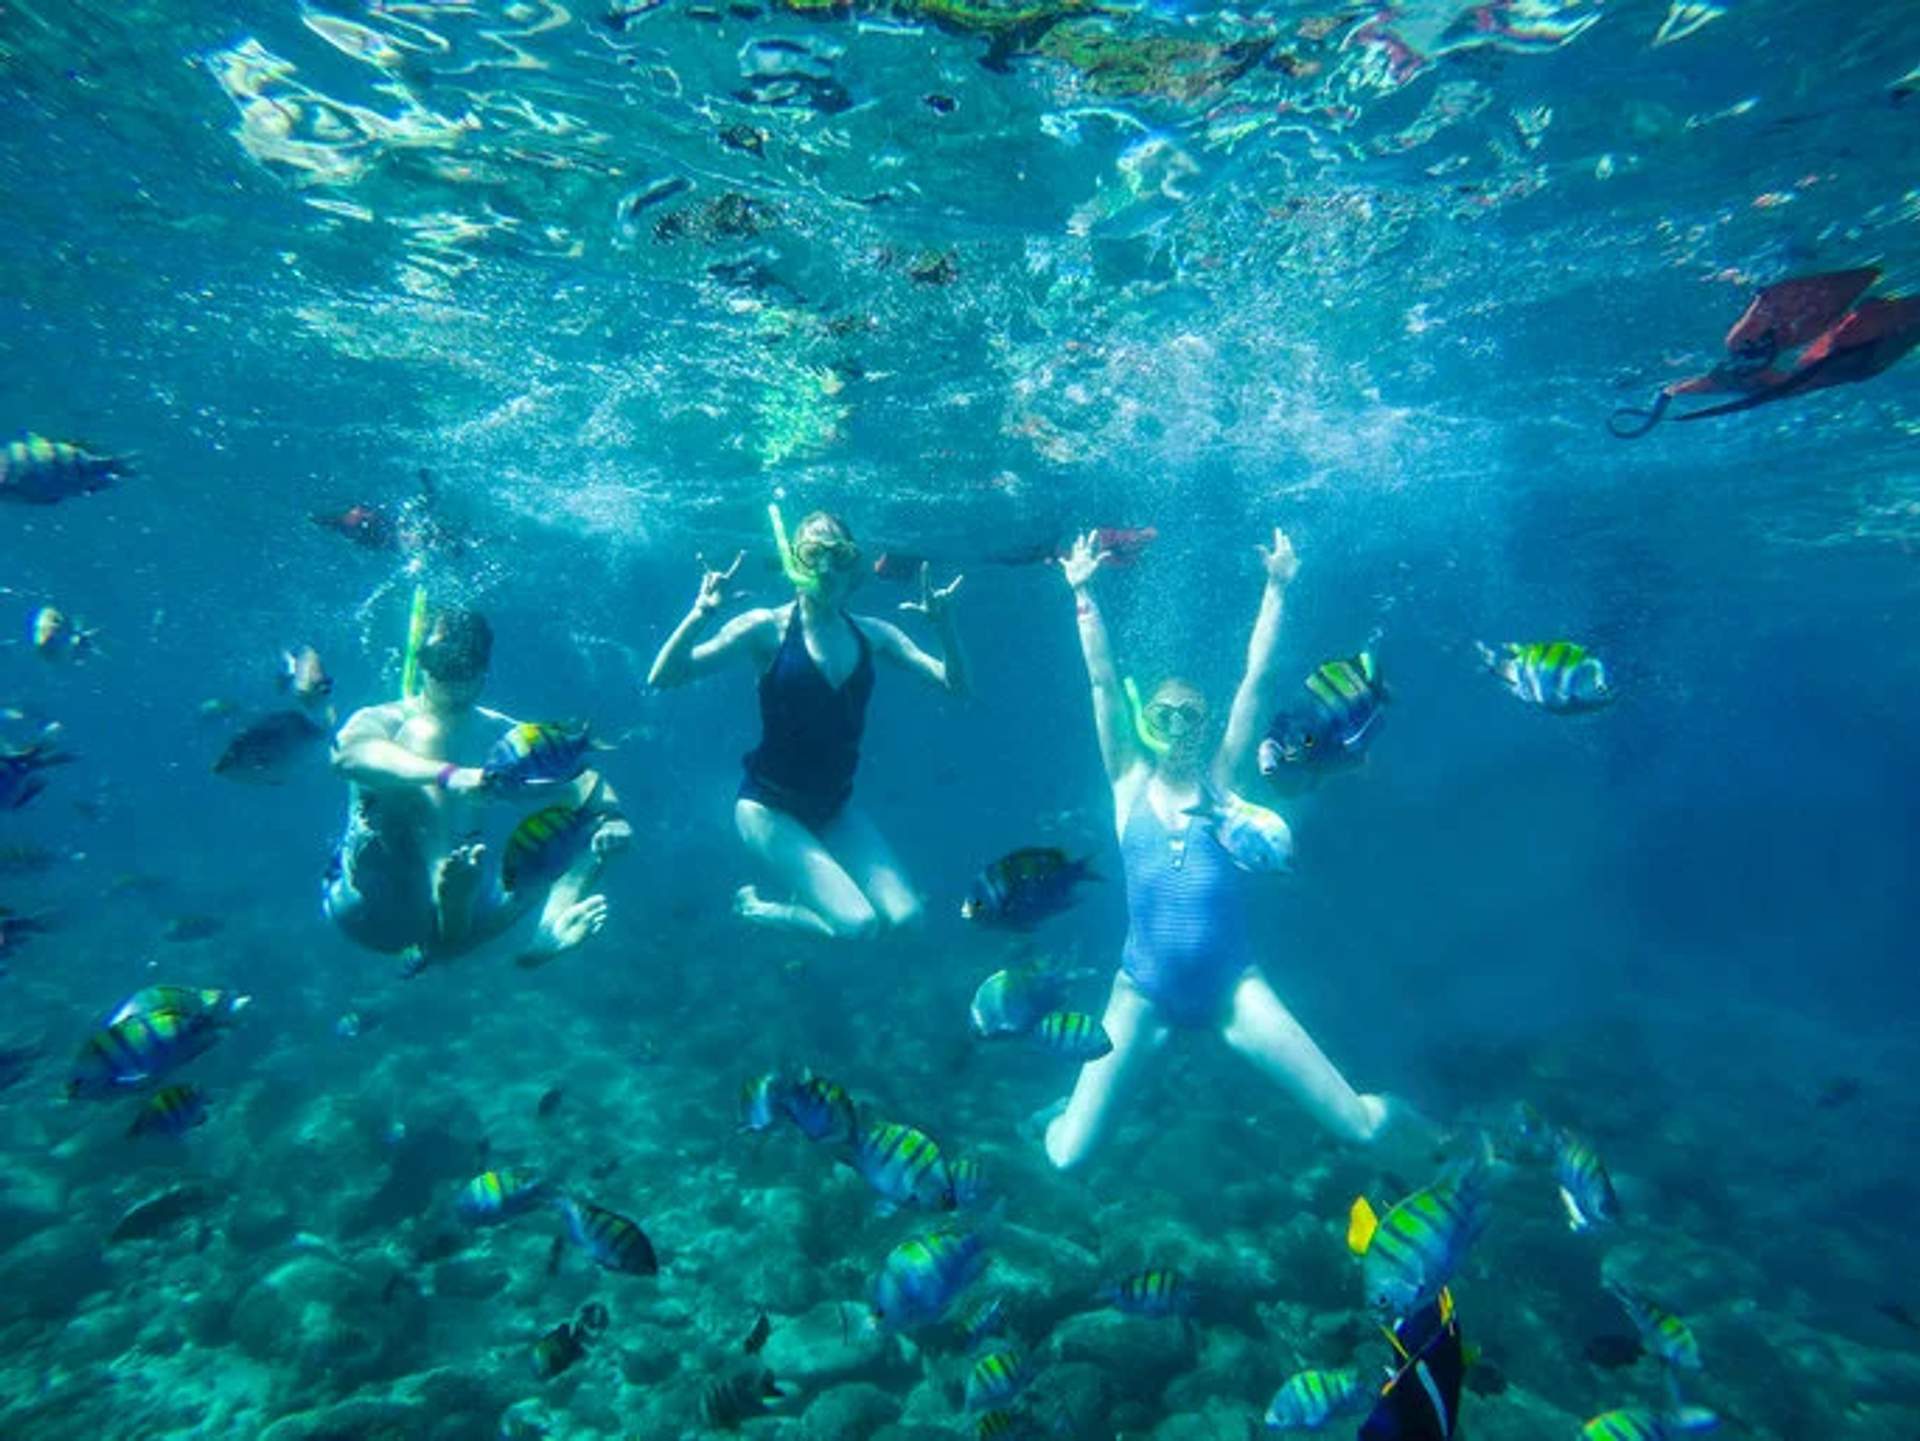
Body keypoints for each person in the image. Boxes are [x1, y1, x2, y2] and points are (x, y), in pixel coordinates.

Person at [1043, 527, 1389, 1170]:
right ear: (1149, 723)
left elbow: (1257, 678)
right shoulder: (1127, 782)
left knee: (1360, 1128)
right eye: (1165, 716)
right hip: (1140, 994)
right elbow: (1101, 682)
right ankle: (1051, 1119)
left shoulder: (1224, 779)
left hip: (1234, 989)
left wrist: (1278, 586)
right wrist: (1084, 594)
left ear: (1206, 728)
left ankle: (1422, 1140)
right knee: (1066, 1157)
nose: (1177, 727)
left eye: (1190, 717)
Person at [647, 509, 967, 939]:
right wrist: (700, 613)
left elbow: (955, 686)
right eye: (812, 553)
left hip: (834, 806)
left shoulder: (874, 634)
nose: (825, 567)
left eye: (838, 554)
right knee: (860, 926)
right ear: (795, 561)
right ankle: (756, 909)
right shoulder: (765, 627)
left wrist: (944, 627)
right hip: (767, 808)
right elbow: (663, 677)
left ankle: (812, 892)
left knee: (909, 918)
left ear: (853, 565)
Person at [326, 608, 629, 968]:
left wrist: (613, 820)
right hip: (373, 902)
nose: (452, 677)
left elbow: (587, 783)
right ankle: (444, 883)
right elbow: (348, 755)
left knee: (588, 830)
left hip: (458, 920)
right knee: (427, 732)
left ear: (484, 667)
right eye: (440, 660)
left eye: (464, 662)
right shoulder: (386, 718)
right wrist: (449, 774)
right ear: (420, 662)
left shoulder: (502, 735)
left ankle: (547, 930)